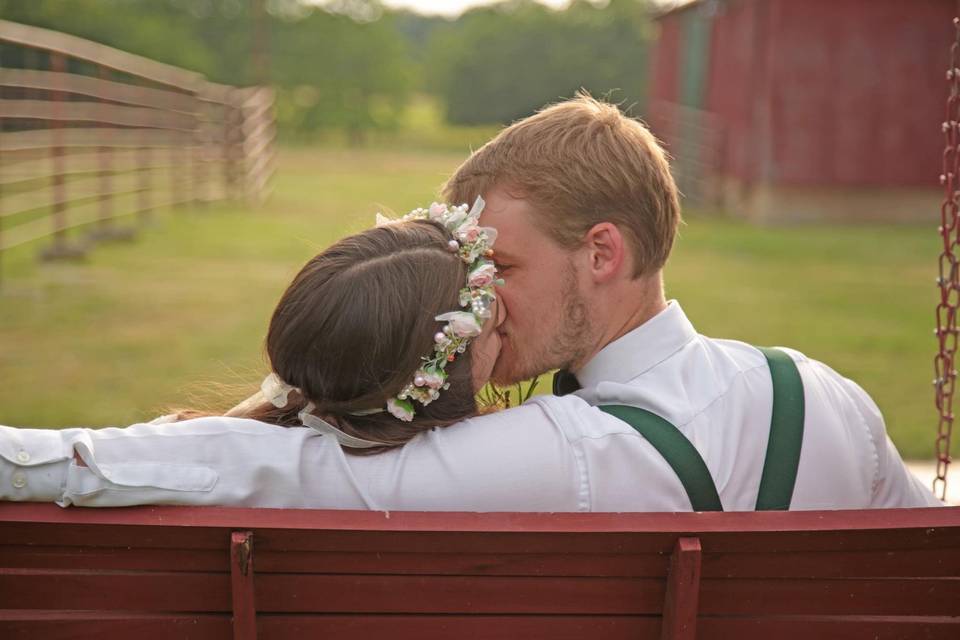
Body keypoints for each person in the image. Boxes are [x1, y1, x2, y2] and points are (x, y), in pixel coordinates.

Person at [0, 98, 942, 511]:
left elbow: (264, 468)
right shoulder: (834, 399)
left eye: (501, 265)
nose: (475, 291)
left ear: (602, 253)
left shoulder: (561, 457)